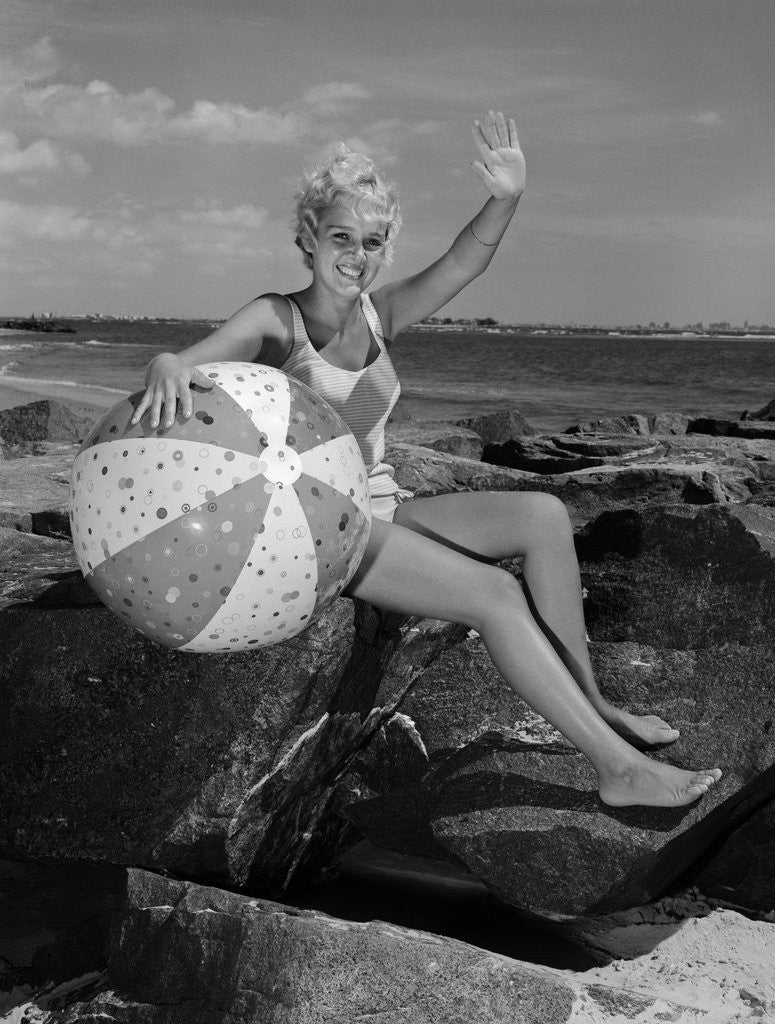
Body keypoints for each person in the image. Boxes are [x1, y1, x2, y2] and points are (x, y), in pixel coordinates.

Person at [132, 111, 722, 808]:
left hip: (380, 506)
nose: (357, 254)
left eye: (372, 241)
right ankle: (615, 768)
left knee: (543, 514)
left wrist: (506, 196)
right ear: (308, 239)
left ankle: (595, 704)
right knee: (493, 595)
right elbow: (183, 365)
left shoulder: (379, 314)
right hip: (318, 532)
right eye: (341, 237)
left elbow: (463, 262)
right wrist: (166, 360)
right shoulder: (275, 319)